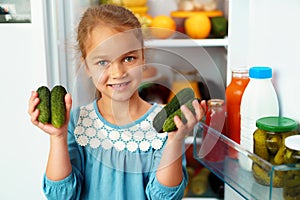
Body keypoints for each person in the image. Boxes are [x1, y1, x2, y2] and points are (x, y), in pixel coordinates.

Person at [28, 4, 206, 200]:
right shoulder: (76, 121)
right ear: (86, 66)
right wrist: (58, 137)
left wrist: (175, 140)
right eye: (103, 62)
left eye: (129, 58)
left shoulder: (164, 123)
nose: (118, 73)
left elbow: (163, 197)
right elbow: (61, 195)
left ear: (143, 58)